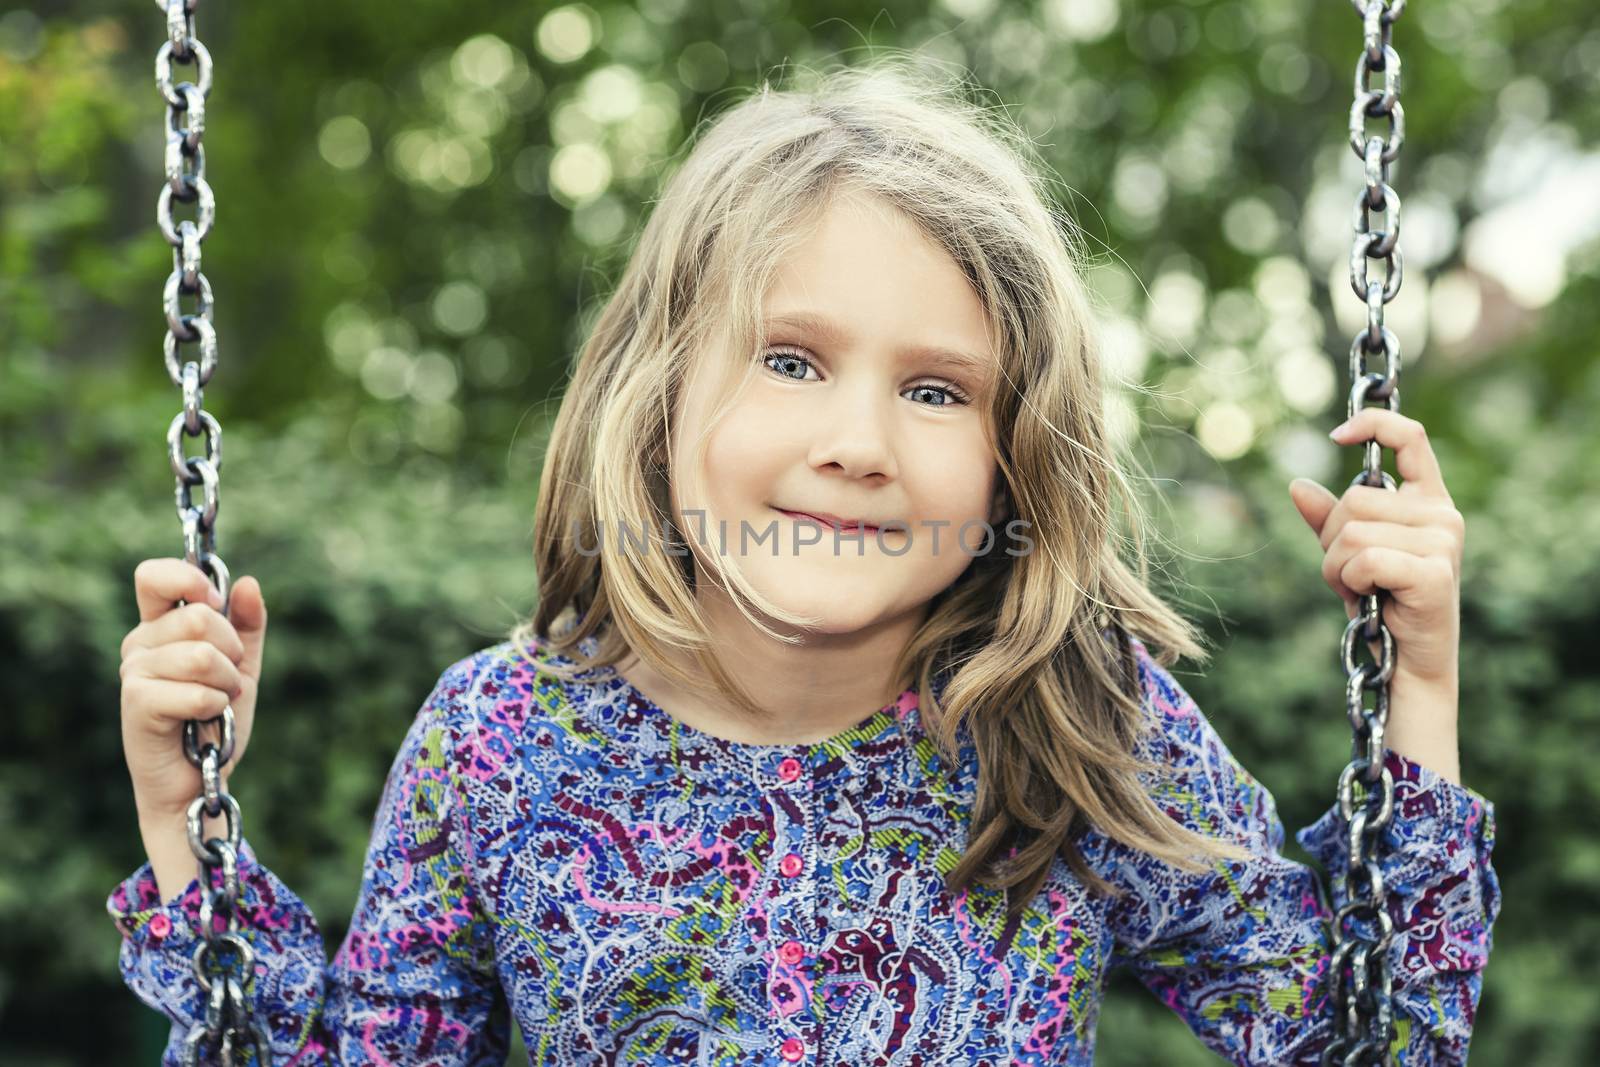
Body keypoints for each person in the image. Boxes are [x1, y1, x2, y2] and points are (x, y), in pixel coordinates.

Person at [110, 60, 1500, 1065]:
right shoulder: (497, 743)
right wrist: (187, 829)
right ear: (656, 401)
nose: (859, 442)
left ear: (1018, 457)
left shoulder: (1071, 719)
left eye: (940, 390)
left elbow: (1364, 1045)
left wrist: (1418, 680)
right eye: (790, 361)